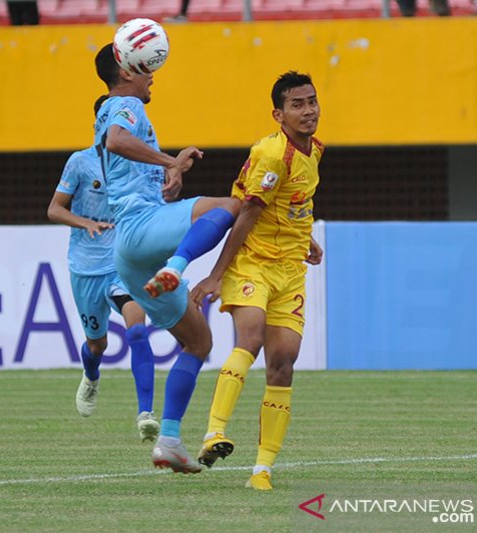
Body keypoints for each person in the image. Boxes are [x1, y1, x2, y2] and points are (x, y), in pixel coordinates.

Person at [94, 43, 240, 473]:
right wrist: (169, 160)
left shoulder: (121, 107)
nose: (153, 74)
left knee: (199, 342)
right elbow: (116, 141)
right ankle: (177, 267)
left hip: (132, 251)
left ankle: (170, 442)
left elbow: (124, 164)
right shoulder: (124, 104)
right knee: (229, 207)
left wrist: (167, 179)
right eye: (148, 68)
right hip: (142, 233)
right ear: (126, 71)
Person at [191, 71, 325, 491]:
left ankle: (262, 470)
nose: (308, 110)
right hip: (252, 264)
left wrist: (307, 238)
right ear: (278, 114)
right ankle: (214, 432)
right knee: (248, 340)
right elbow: (248, 213)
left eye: (312, 101)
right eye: (297, 104)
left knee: (283, 364)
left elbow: (292, 203)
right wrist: (215, 275)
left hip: (290, 272)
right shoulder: (271, 154)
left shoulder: (315, 149)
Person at [47, 95, 159, 443]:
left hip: (122, 264)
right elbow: (54, 209)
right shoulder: (80, 163)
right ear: (101, 122)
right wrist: (85, 223)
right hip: (86, 268)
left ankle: (145, 413)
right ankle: (91, 375)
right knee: (96, 345)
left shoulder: (137, 165)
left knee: (137, 331)